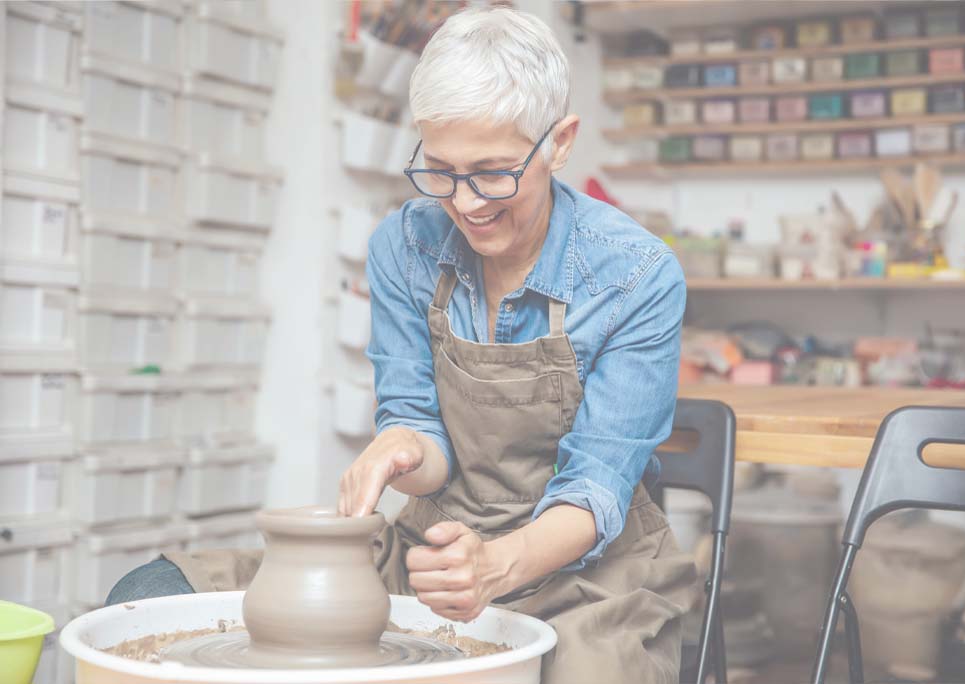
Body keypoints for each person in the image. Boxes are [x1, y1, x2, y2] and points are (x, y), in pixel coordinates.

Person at [106, 7, 696, 681]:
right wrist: (401, 447)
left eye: (493, 172)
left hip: (587, 573)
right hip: (432, 548)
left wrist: (496, 564)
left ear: (560, 143)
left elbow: (595, 490)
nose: (466, 202)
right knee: (147, 597)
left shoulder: (637, 274)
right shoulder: (406, 245)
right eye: (441, 170)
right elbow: (425, 437)